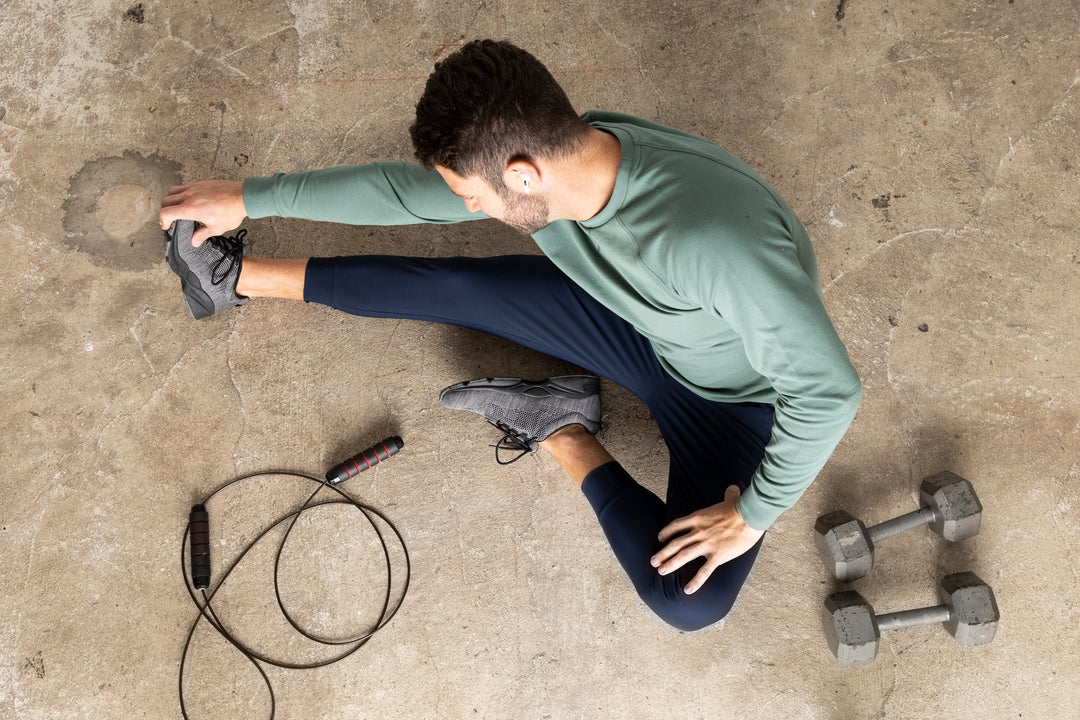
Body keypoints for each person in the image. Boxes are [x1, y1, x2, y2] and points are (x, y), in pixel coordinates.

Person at [158, 39, 861, 632]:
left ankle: (563, 430)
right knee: (457, 287)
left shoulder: (714, 244)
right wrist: (253, 195)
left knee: (689, 601)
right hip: (650, 328)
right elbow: (408, 197)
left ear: (522, 174)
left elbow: (828, 392)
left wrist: (755, 514)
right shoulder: (576, 155)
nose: (466, 206)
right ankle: (236, 280)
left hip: (735, 406)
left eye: (473, 195)